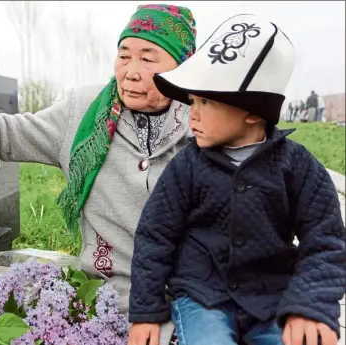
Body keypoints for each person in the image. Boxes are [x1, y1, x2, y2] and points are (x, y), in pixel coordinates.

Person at [0, 4, 197, 345]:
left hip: (187, 306)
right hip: (104, 303)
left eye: (148, 59)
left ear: (183, 67)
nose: (131, 71)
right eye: (124, 55)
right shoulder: (85, 109)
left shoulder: (204, 122)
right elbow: (12, 133)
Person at [128, 14, 345, 345]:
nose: (193, 113)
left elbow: (326, 239)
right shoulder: (187, 165)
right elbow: (154, 237)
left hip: (272, 295)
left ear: (254, 112)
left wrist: (310, 305)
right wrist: (147, 312)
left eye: (208, 101)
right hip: (202, 295)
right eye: (193, 101)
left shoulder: (296, 165)